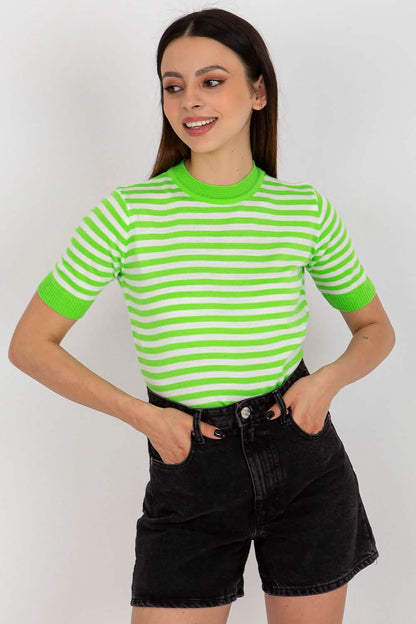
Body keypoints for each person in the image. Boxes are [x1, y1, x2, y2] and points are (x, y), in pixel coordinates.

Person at [8, 7, 395, 624]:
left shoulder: (302, 209)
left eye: (212, 80)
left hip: (303, 461)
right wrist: (146, 418)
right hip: (190, 468)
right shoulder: (127, 214)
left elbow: (376, 330)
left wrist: (325, 382)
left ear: (258, 89)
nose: (190, 100)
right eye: (173, 84)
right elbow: (30, 345)